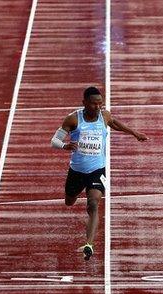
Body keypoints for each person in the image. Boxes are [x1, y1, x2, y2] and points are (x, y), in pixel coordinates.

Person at [51, 86, 147, 260]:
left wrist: (134, 133)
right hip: (77, 171)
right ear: (84, 103)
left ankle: (89, 244)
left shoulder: (104, 115)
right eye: (94, 104)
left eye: (100, 104)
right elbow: (54, 140)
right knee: (69, 201)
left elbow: (115, 123)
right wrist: (65, 146)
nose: (98, 107)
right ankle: (76, 197)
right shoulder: (73, 119)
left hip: (97, 170)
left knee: (93, 204)